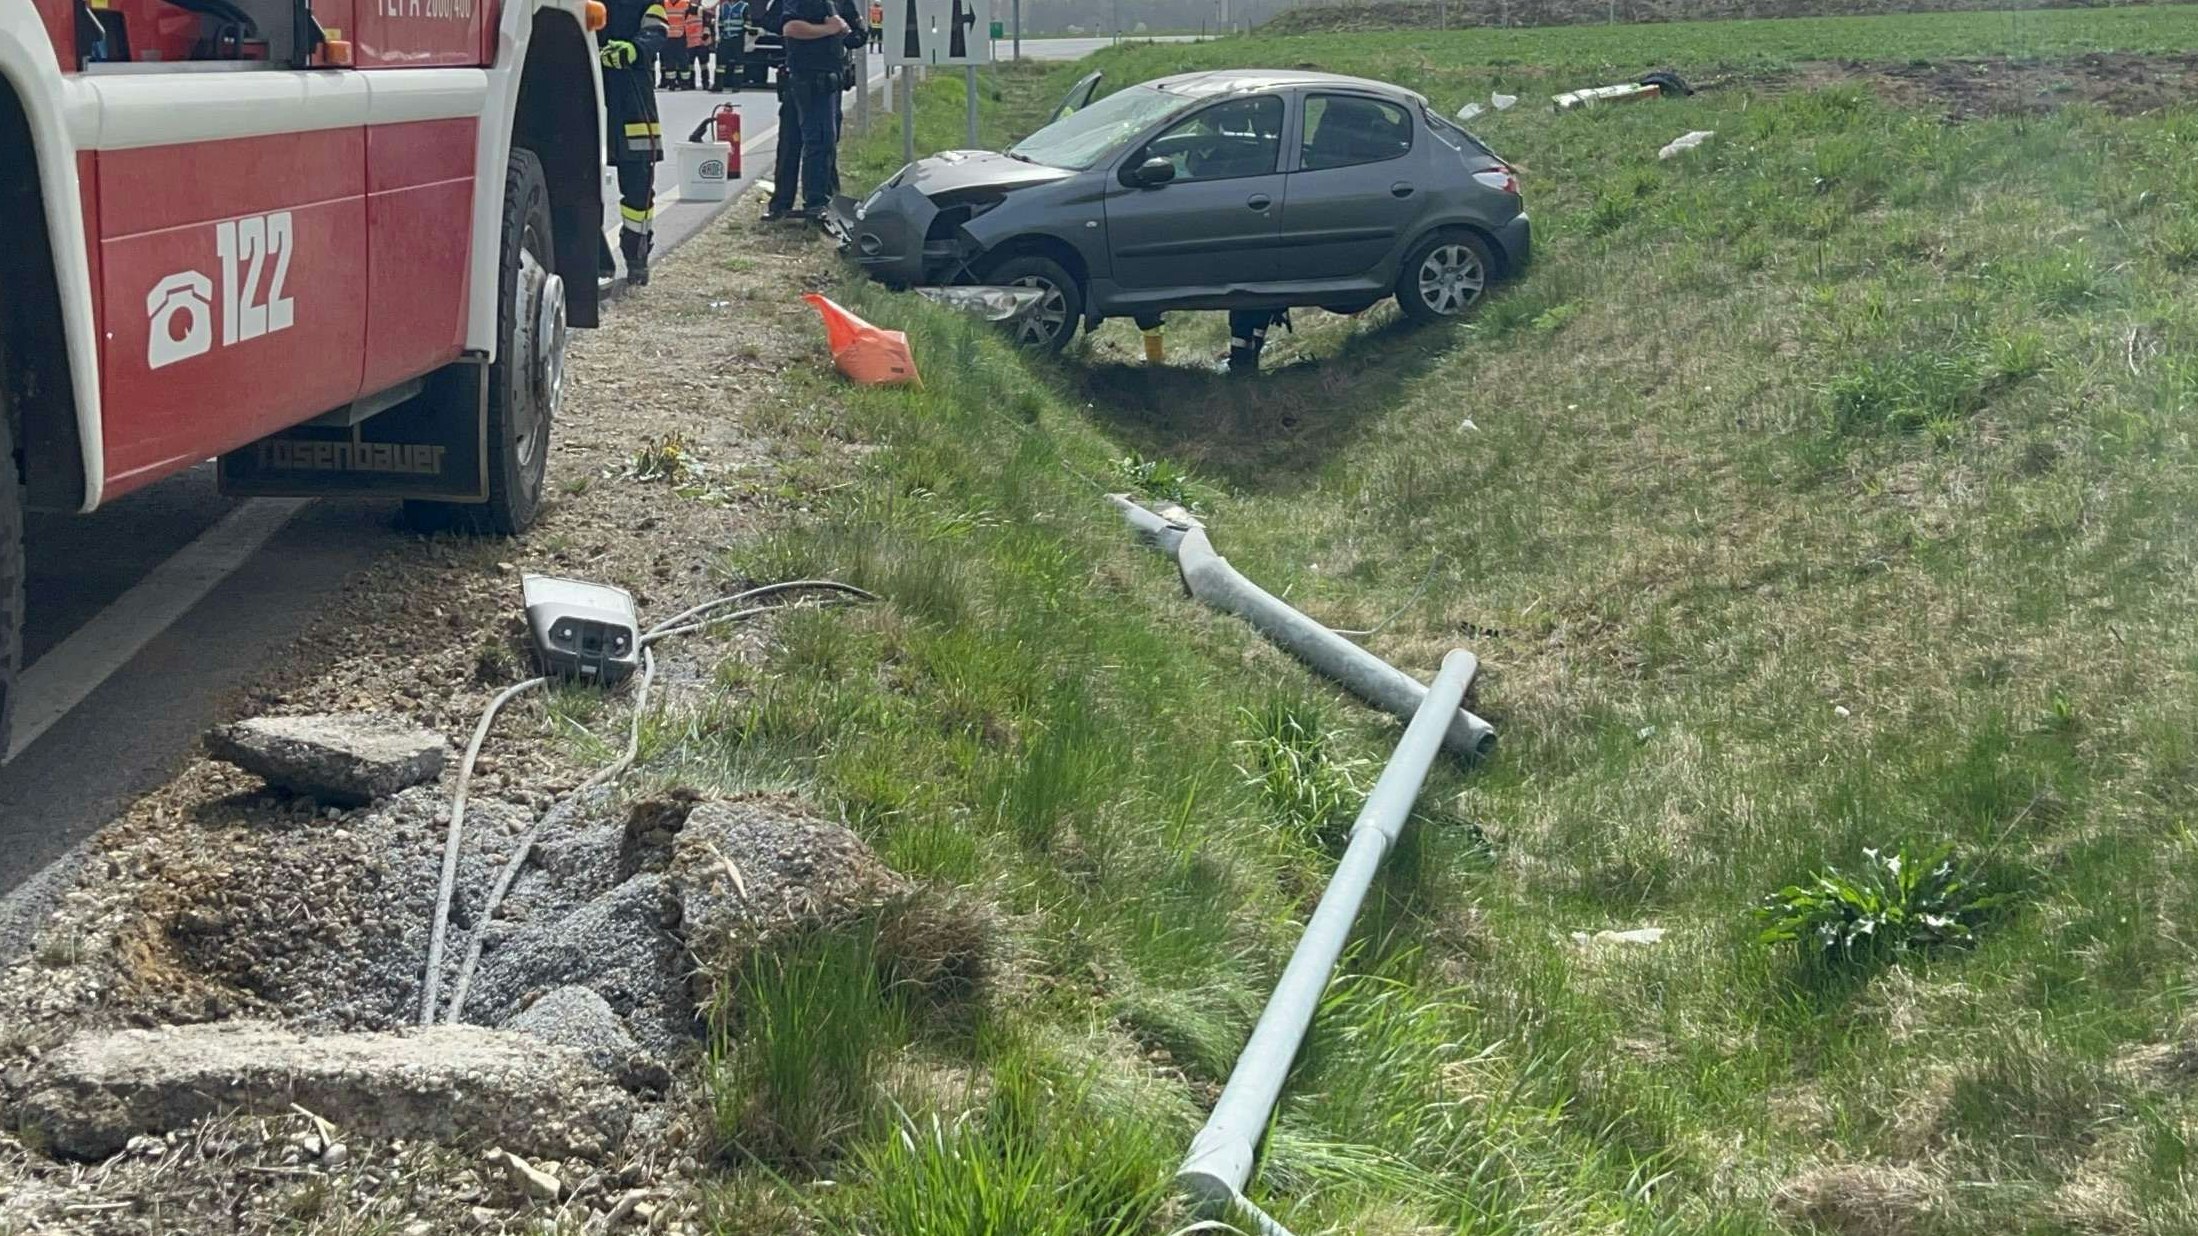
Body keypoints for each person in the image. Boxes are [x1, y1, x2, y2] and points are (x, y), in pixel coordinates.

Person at [760, 0, 864, 221]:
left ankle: (823, 201)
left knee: (824, 143)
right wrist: (828, 29)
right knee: (807, 143)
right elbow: (787, 27)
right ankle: (811, 205)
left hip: (829, 80)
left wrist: (845, 29)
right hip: (806, 77)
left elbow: (857, 36)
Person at [597, 0, 668, 286]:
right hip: (587, 94)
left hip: (632, 98)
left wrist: (634, 49)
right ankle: (591, 258)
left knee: (638, 185)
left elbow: (657, 30)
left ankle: (636, 257)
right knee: (580, 181)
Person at [661, 0, 694, 89]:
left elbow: (693, 13)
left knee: (683, 61)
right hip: (668, 37)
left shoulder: (685, 3)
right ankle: (671, 83)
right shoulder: (664, 3)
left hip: (680, 36)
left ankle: (685, 83)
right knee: (669, 61)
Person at [687, 0, 712, 91]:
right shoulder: (686, 12)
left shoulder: (703, 11)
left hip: (701, 42)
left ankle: (704, 83)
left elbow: (707, 25)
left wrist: (705, 34)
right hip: (692, 42)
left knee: (703, 65)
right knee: (691, 65)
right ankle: (692, 83)